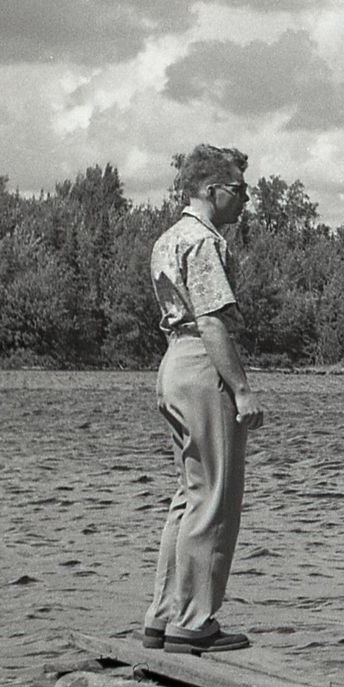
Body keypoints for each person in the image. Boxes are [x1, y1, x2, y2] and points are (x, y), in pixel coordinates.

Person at [143, 144, 266, 652]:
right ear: (212, 190)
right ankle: (194, 623)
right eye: (240, 190)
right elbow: (212, 322)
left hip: (173, 363)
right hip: (200, 363)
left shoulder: (168, 238)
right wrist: (242, 390)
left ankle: (163, 617)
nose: (246, 200)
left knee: (189, 496)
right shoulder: (203, 242)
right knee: (215, 497)